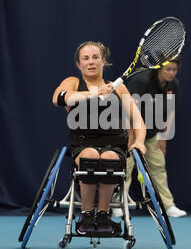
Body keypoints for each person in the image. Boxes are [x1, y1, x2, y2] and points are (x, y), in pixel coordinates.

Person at [52, 41, 146, 235]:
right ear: (79, 65)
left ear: (104, 61)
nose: (91, 62)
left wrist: (139, 141)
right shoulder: (73, 82)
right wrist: (96, 92)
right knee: (91, 156)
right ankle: (86, 215)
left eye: (96, 57)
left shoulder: (119, 89)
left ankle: (103, 215)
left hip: (114, 145)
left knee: (110, 159)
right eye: (85, 58)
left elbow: (137, 120)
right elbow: (59, 98)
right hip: (83, 144)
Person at [114, 57, 187, 218]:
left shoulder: (173, 85)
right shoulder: (141, 81)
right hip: (131, 129)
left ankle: (167, 205)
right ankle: (118, 204)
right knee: (126, 166)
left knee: (158, 167)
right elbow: (128, 109)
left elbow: (169, 112)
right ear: (159, 69)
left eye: (174, 70)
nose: (171, 73)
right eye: (168, 69)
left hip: (152, 133)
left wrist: (163, 138)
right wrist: (131, 137)